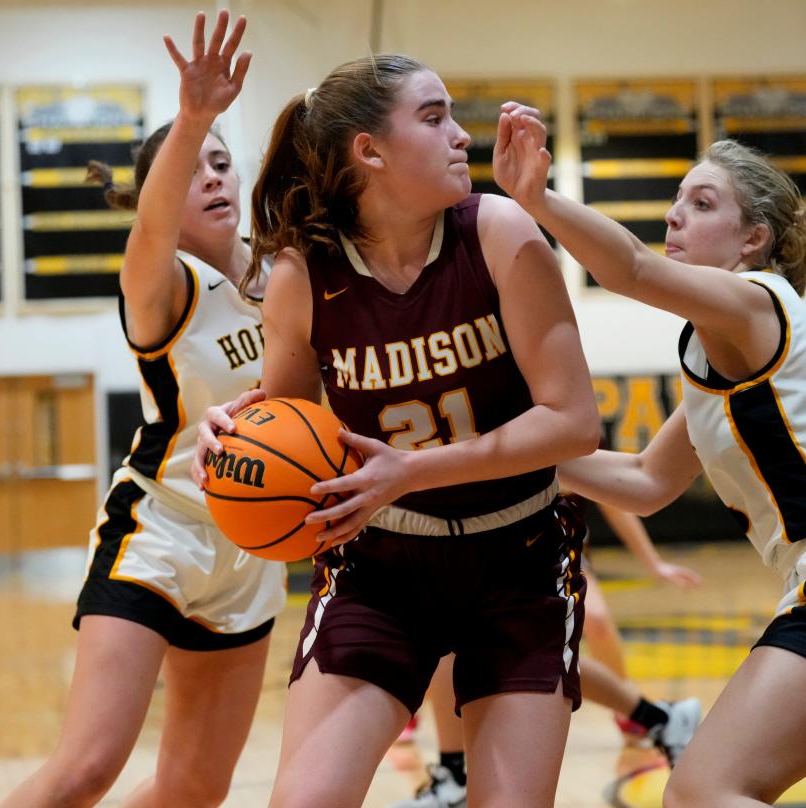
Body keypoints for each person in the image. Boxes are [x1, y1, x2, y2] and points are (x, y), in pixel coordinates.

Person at [492, 108, 806, 807]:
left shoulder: (755, 304)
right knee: (707, 790)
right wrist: (507, 453)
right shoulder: (723, 356)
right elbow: (646, 482)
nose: (675, 215)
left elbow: (629, 267)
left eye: (702, 203)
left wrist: (536, 200)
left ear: (753, 240)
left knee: (703, 791)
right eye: (677, 199)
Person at [193, 55, 600, 808]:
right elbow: (281, 418)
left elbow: (574, 423)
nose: (462, 136)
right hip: (380, 569)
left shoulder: (499, 231)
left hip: (519, 559)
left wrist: (411, 470)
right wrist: (231, 437)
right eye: (435, 116)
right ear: (369, 151)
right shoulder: (303, 275)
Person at [2, 12, 286, 808]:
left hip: (254, 541)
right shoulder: (161, 286)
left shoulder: (286, 279)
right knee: (88, 768)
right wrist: (194, 117)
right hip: (160, 528)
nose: (213, 176)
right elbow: (154, 228)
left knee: (194, 789)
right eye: (192, 167)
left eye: (222, 162)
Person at [393, 498, 703, 808]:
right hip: (465, 538)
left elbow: (613, 482)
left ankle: (651, 716)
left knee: (553, 648)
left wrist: (651, 560)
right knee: (467, 640)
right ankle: (657, 716)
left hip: (533, 535)